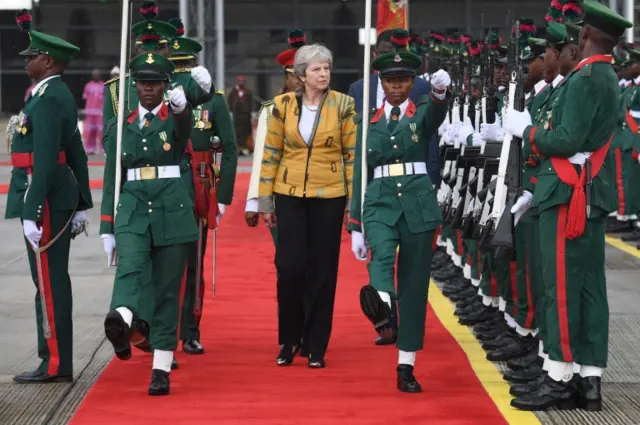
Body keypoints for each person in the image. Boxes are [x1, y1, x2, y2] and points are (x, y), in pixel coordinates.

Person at [504, 0, 631, 411]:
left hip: (567, 192)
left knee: (560, 287)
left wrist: (526, 130)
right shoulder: (604, 76)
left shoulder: (586, 79)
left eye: (580, 30)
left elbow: (568, 140)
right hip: (587, 191)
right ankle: (588, 380)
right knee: (590, 289)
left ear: (588, 36)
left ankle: (559, 376)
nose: (576, 34)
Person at [348, 29, 450, 393]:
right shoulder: (368, 121)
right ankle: (380, 304)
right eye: (390, 80)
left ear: (411, 83)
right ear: (381, 81)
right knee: (379, 264)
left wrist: (439, 94)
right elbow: (360, 172)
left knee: (414, 287)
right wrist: (355, 223)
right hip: (379, 201)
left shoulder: (420, 113)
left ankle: (406, 363)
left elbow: (435, 118)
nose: (396, 87)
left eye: (403, 80)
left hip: (418, 204)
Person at [99, 52, 196, 396]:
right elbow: (112, 177)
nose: (148, 90)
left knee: (169, 290)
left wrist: (183, 109)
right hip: (133, 206)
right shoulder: (119, 125)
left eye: (155, 83)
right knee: (131, 269)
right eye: (142, 83)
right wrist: (107, 227)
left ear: (165, 86)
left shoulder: (175, 120)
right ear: (134, 86)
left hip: (172, 207)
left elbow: (184, 131)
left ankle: (161, 367)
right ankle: (122, 320)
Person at [6, 11, 93, 383]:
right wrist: (82, 202)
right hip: (51, 197)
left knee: (49, 282)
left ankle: (55, 363)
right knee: (49, 280)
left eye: (33, 56)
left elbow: (46, 159)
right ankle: (53, 360)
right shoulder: (49, 94)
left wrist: (29, 211)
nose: (26, 60)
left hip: (43, 199)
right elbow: (76, 152)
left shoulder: (49, 98)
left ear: (50, 62)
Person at [258, 43, 357, 368]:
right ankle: (289, 338)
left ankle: (316, 345)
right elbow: (270, 153)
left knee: (323, 271)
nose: (323, 74)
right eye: (316, 69)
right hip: (289, 194)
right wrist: (265, 200)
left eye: (326, 68)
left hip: (330, 196)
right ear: (301, 75)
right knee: (290, 267)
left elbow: (351, 156)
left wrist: (352, 203)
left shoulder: (344, 104)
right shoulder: (281, 106)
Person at [168, 29, 238, 355]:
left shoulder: (213, 98)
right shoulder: (160, 95)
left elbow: (231, 148)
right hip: (169, 184)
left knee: (193, 261)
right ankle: (174, 329)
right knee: (174, 261)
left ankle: (190, 328)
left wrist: (221, 195)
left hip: (198, 183)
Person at [246, 29, 306, 241]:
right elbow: (262, 155)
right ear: (286, 77)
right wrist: (255, 200)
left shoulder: (330, 107)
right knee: (287, 259)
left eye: (304, 75)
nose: (300, 81)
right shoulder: (272, 110)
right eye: (294, 75)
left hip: (321, 195)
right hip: (283, 196)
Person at [227, 75, 254, 155]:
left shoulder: (248, 92)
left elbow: (250, 104)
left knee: (245, 133)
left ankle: (244, 148)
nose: (241, 83)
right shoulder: (233, 92)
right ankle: (238, 148)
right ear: (237, 82)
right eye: (240, 81)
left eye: (243, 81)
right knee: (236, 133)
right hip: (237, 117)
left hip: (246, 117)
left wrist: (249, 113)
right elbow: (230, 103)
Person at [82, 68, 105, 154]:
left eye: (97, 74)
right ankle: (90, 149)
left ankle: (103, 149)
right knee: (90, 132)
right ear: (92, 75)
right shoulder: (88, 85)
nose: (96, 76)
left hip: (100, 112)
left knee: (102, 132)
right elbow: (85, 97)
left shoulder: (104, 85)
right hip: (90, 112)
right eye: (95, 74)